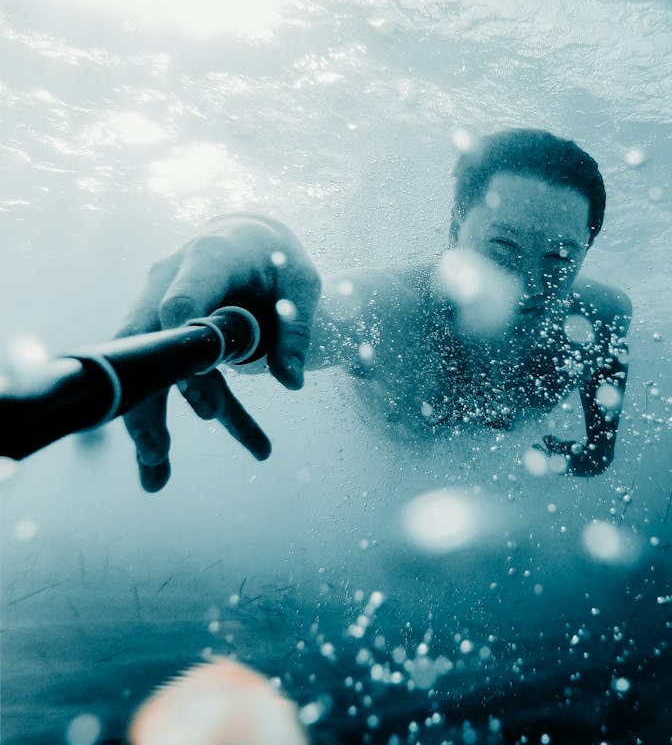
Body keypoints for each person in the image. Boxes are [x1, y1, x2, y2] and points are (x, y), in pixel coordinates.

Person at [118, 129, 632, 491]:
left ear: (586, 253)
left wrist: (598, 448)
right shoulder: (386, 312)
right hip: (392, 458)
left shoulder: (603, 315)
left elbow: (609, 366)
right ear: (455, 229)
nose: (527, 284)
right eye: (503, 246)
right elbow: (295, 325)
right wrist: (240, 278)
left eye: (561, 257)